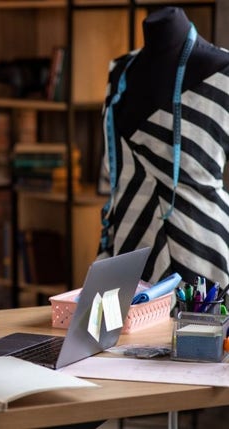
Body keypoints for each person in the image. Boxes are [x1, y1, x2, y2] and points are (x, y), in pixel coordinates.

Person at [98, 6, 229, 287]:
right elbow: (111, 172)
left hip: (203, 250)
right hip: (130, 243)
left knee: (201, 329)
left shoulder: (224, 73)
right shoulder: (119, 72)